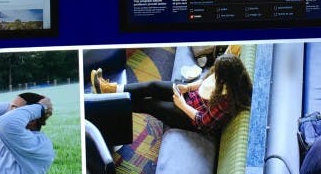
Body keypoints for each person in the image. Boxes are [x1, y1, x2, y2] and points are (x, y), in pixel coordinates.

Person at [89, 53, 252, 136]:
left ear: (226, 79)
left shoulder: (226, 101)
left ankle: (108, 103)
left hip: (190, 118)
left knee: (150, 104)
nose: (215, 75)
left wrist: (182, 104)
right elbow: (204, 80)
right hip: (190, 97)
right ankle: (111, 90)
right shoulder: (225, 73)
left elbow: (203, 122)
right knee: (153, 86)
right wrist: (187, 88)